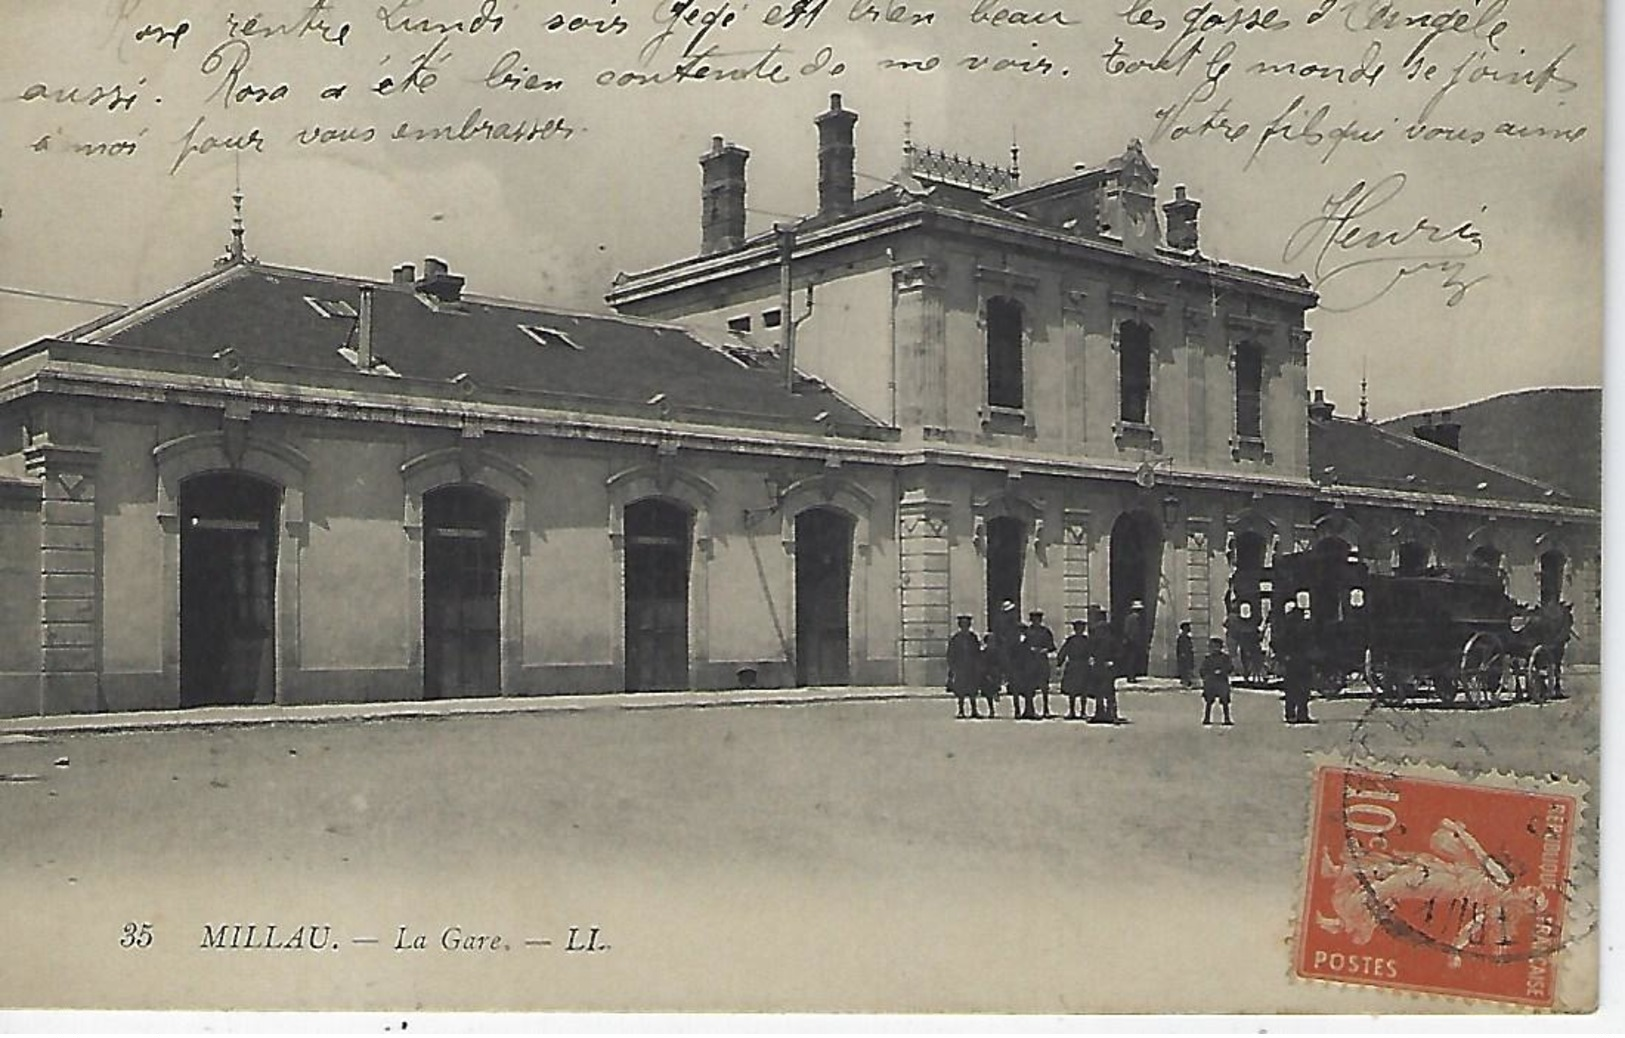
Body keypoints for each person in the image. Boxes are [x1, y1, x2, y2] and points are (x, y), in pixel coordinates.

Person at [946, 614, 983, 719]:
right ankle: (961, 710)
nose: (965, 627)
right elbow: (951, 653)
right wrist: (952, 667)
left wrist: (978, 665)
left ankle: (974, 710)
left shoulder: (973, 637)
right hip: (960, 668)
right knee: (960, 690)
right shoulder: (956, 639)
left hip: (971, 667)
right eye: (963, 625)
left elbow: (978, 652)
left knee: (973, 690)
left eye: (967, 625)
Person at [1089, 607, 1120, 724]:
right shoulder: (1110, 633)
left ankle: (1106, 713)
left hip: (1101, 664)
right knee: (1106, 690)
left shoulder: (1101, 633)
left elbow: (1091, 648)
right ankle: (1107, 713)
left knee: (1102, 690)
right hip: (1103, 664)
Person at [1057, 619, 1092, 720]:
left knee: (1083, 690)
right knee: (1072, 691)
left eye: (1082, 628)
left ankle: (1083, 711)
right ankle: (1072, 711)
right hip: (1073, 665)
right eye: (1078, 628)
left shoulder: (1087, 640)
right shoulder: (1070, 640)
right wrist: (1059, 663)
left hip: (1084, 665)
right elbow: (1063, 652)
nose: (1080, 630)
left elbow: (1092, 651)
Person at [1025, 610, 1057, 719]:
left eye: (1038, 620)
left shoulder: (1045, 632)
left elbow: (1052, 647)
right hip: (1030, 662)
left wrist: (1045, 650)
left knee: (1044, 687)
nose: (1036, 622)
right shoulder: (1027, 632)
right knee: (1029, 687)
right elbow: (1023, 646)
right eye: (1034, 620)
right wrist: (1030, 649)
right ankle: (1030, 709)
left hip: (1042, 662)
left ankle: (1046, 709)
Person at [1201, 636, 1235, 726]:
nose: (1215, 649)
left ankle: (1227, 718)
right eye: (1213, 647)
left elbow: (1230, 668)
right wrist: (1207, 676)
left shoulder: (1225, 658)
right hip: (1211, 682)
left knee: (1224, 702)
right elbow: (1203, 669)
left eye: (1217, 646)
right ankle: (1207, 718)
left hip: (1222, 681)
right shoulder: (1208, 659)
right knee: (1209, 701)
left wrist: (1222, 671)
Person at [1123, 600, 1149, 682]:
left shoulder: (1136, 619)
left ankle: (1132, 675)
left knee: (1133, 659)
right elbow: (1128, 630)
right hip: (1132, 642)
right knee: (1131, 660)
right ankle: (1131, 676)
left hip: (1135, 642)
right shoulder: (1132, 618)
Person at [978, 634, 1001, 718]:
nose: (992, 644)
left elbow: (1002, 663)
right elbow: (982, 663)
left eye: (993, 642)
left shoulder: (998, 653)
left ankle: (996, 691)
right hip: (987, 673)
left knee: (994, 686)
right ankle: (991, 709)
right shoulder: (984, 653)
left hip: (996, 673)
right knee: (988, 692)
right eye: (990, 642)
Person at [1176, 621, 1196, 688]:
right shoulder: (1181, 638)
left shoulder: (1188, 638)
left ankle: (1187, 680)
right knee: (1184, 668)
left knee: (1188, 668)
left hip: (1188, 655)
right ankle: (1185, 681)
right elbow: (1180, 648)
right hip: (1184, 656)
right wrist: (1182, 654)